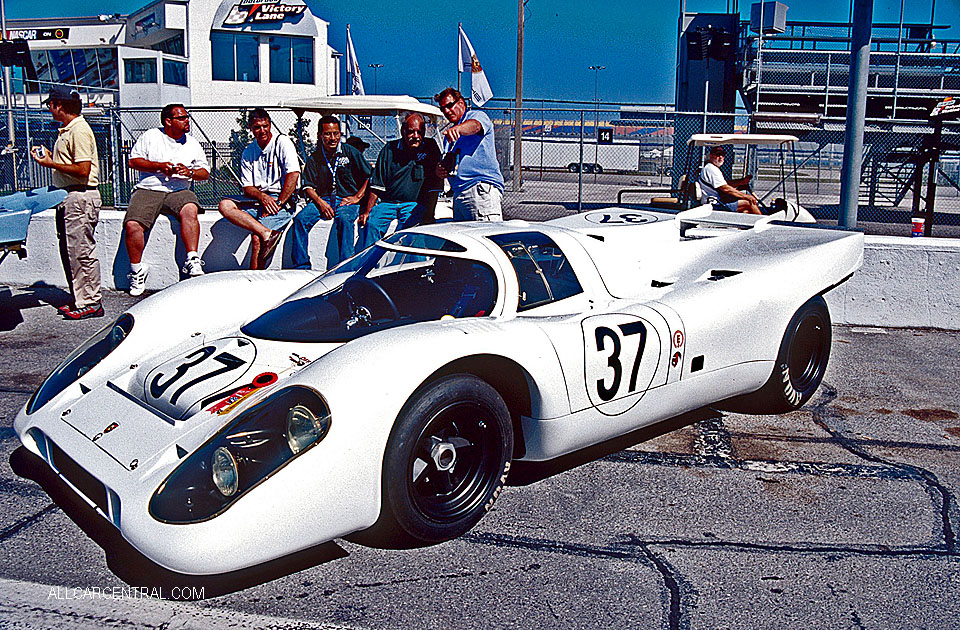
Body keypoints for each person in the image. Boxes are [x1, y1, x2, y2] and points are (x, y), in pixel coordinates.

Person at [29, 87, 104, 320]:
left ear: (58, 105)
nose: (49, 109)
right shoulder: (68, 131)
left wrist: (51, 164)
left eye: (50, 104)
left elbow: (83, 171)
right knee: (72, 251)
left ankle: (91, 302)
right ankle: (82, 298)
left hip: (80, 196)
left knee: (80, 251)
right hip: (69, 196)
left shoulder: (78, 130)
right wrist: (53, 158)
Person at [124, 103, 211, 296]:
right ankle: (137, 270)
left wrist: (189, 172)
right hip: (149, 189)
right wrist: (159, 166)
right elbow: (133, 161)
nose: (187, 120)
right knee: (133, 225)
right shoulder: (151, 136)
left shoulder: (192, 143)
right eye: (182, 118)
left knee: (190, 209)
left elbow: (204, 173)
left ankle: (192, 259)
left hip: (178, 190)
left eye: (187, 117)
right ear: (168, 121)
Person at [218, 108, 301, 269]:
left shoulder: (282, 142)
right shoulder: (249, 151)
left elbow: (293, 175)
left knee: (256, 238)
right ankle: (267, 233)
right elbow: (247, 187)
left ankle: (254, 278)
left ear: (270, 125)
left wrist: (278, 203)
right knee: (225, 205)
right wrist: (263, 197)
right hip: (258, 200)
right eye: (257, 127)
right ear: (251, 128)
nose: (262, 130)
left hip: (283, 199)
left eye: (265, 126)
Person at [292, 116, 372, 270]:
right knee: (300, 220)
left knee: (344, 219)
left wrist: (357, 197)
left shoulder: (350, 152)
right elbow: (307, 186)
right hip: (324, 199)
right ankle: (302, 266)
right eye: (328, 134)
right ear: (319, 135)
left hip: (346, 200)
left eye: (336, 133)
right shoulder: (314, 158)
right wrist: (320, 203)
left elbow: (370, 175)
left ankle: (347, 266)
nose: (332, 138)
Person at [359, 113, 441, 248]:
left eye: (419, 132)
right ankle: (370, 265)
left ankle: (417, 268)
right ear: (403, 131)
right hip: (388, 203)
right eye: (411, 132)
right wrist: (367, 211)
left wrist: (430, 214)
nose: (415, 136)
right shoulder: (389, 149)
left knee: (413, 231)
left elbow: (435, 187)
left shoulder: (430, 147)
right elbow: (377, 185)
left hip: (412, 204)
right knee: (372, 225)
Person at [433, 87, 504, 222]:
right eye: (443, 109)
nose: (447, 111)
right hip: (459, 193)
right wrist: (441, 170)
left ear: (461, 103)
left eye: (449, 106)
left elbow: (476, 126)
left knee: (485, 237)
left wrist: (459, 129)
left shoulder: (476, 116)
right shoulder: (450, 136)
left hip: (479, 190)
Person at [697, 146, 761, 215]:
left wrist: (741, 182)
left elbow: (726, 184)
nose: (721, 157)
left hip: (718, 202)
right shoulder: (711, 169)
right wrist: (746, 196)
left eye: (722, 155)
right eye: (718, 155)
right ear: (711, 156)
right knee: (749, 203)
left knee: (746, 211)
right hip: (715, 204)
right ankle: (764, 224)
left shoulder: (711, 168)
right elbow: (725, 188)